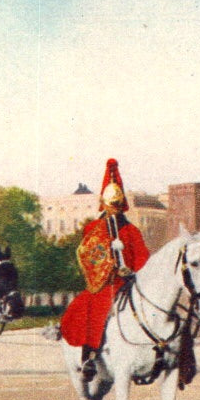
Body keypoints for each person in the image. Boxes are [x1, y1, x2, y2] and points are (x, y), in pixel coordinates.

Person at [60, 159, 150, 381]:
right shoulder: (94, 229)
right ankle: (89, 355)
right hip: (105, 284)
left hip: (129, 282)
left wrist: (131, 271)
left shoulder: (131, 231)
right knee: (94, 305)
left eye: (118, 206)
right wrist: (111, 267)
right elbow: (89, 257)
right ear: (104, 205)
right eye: (111, 206)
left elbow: (143, 258)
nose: (115, 211)